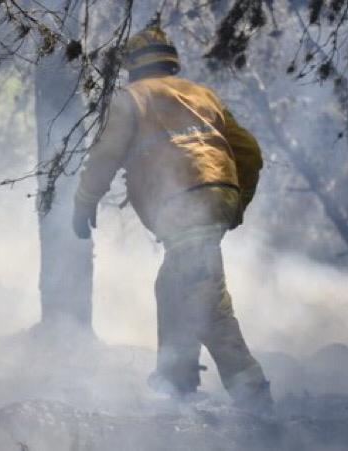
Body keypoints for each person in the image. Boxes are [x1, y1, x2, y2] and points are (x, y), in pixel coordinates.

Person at [71, 23, 273, 409]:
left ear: (132, 66)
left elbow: (105, 155)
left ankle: (255, 399)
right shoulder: (203, 95)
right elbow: (250, 153)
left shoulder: (131, 98)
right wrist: (233, 202)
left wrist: (84, 201)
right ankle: (176, 381)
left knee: (207, 301)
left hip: (182, 204)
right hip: (215, 200)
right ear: (171, 61)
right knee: (172, 286)